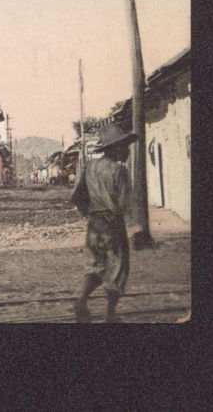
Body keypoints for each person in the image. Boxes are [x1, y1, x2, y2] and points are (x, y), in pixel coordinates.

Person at [72, 122, 135, 323]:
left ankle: (81, 300)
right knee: (118, 269)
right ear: (114, 148)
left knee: (95, 266)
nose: (127, 151)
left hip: (94, 225)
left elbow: (76, 195)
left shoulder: (89, 167)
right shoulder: (120, 171)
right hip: (113, 226)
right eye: (124, 146)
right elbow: (126, 203)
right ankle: (110, 315)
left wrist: (88, 211)